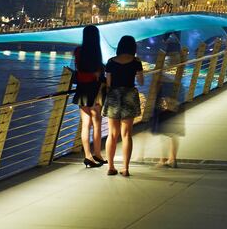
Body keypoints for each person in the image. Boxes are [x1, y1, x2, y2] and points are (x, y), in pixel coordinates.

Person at [102, 35, 144, 176]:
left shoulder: (111, 62)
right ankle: (125, 169)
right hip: (129, 96)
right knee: (127, 135)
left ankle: (111, 167)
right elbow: (141, 81)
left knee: (112, 134)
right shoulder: (136, 62)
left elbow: (108, 83)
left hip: (114, 96)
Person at [71, 25, 106, 168]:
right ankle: (98, 153)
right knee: (97, 123)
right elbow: (99, 72)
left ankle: (88, 156)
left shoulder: (78, 51)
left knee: (86, 124)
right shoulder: (96, 52)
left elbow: (77, 68)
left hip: (82, 89)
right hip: (95, 89)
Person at [151, 71, 184, 168]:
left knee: (164, 132)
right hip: (177, 95)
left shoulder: (162, 75)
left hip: (166, 102)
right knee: (173, 132)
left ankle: (164, 159)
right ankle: (172, 159)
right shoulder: (175, 76)